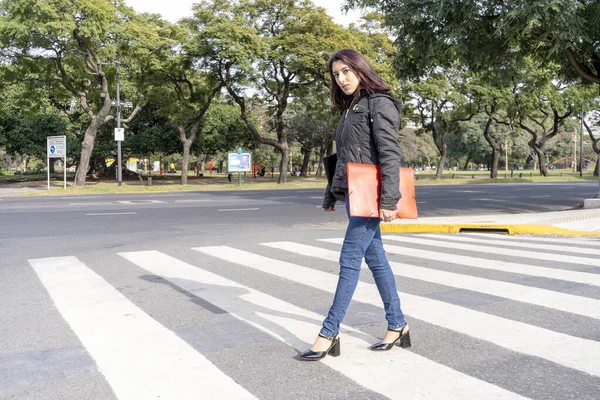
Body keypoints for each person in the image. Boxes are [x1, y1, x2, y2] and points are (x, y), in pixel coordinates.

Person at [300, 49, 410, 361]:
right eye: (336, 74)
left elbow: (389, 153)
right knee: (377, 262)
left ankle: (328, 331)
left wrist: (390, 199)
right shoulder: (349, 108)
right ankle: (397, 324)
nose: (342, 78)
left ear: (360, 69)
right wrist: (330, 194)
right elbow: (346, 156)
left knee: (349, 259)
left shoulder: (379, 103)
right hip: (353, 193)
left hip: (371, 197)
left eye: (347, 71)